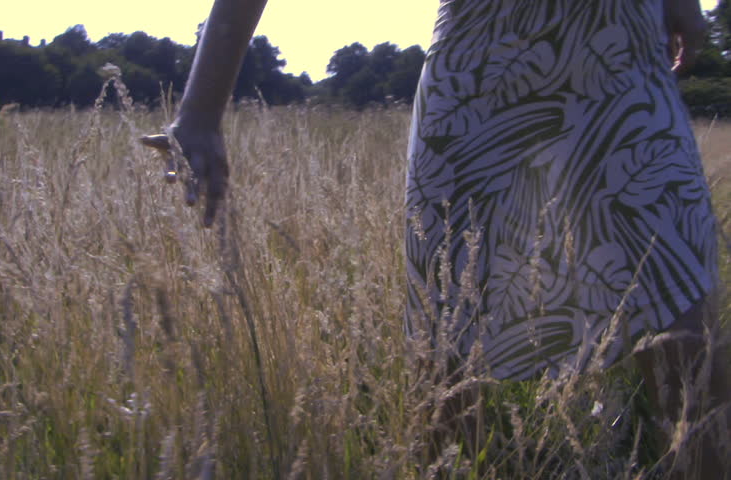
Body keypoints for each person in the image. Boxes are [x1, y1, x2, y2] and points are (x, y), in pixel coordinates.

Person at [143, 0, 729, 476]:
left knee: (683, 325)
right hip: (480, 71)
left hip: (623, 62)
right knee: (449, 350)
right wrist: (199, 109)